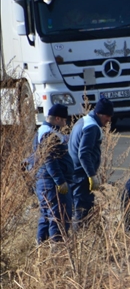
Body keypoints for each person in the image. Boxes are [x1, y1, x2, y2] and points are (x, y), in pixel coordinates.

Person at [32, 104, 74, 244]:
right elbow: (49, 159)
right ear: (57, 118)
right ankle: (56, 251)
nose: (65, 124)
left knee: (46, 216)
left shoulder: (42, 131)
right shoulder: (49, 135)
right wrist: (60, 180)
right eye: (63, 120)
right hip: (52, 183)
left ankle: (41, 249)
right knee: (58, 217)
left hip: (44, 181)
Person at [68, 98, 113, 222]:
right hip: (81, 176)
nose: (109, 120)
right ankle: (79, 239)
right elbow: (84, 153)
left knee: (74, 210)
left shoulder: (83, 121)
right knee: (82, 212)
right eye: (107, 116)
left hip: (73, 173)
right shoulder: (92, 127)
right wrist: (91, 175)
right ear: (99, 113)